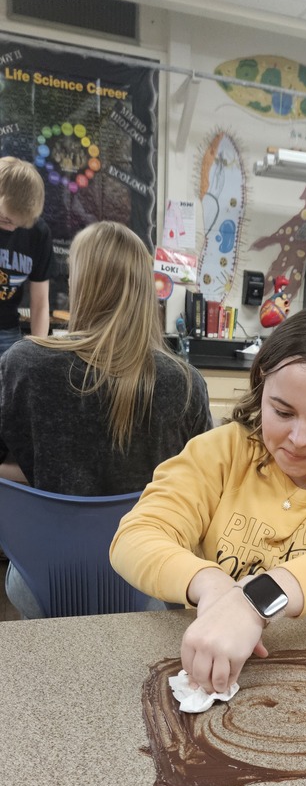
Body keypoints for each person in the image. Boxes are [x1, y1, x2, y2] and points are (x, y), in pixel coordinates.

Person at [110, 304, 306, 696]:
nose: (298, 438)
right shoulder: (222, 452)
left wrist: (257, 598)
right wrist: (211, 586)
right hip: (225, 674)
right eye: (282, 411)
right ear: (262, 391)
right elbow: (137, 535)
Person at [0, 220, 212, 617]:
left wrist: (46, 468)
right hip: (148, 581)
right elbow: (205, 488)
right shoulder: (184, 383)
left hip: (41, 578)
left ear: (82, 285)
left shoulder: (21, 366)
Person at [0, 156, 53, 354]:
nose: (12, 227)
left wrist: (37, 354)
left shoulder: (38, 232)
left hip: (7, 330)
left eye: (19, 224)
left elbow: (40, 303)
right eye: (6, 220)